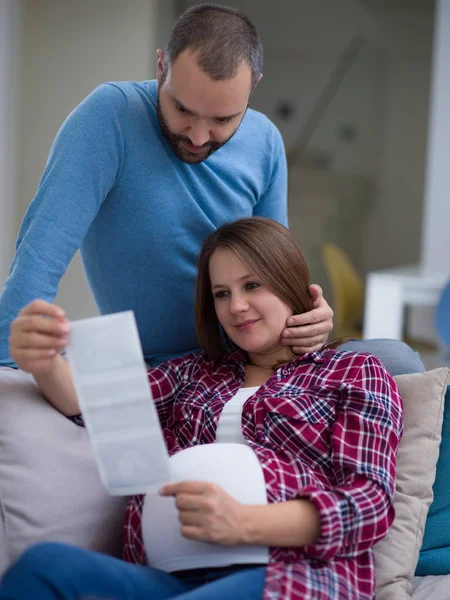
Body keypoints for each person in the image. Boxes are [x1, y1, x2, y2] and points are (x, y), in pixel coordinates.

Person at [2, 217, 403, 600]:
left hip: (287, 575)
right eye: (222, 294)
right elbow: (92, 403)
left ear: (289, 281)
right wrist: (43, 361)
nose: (237, 307)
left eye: (252, 285)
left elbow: (369, 503)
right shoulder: (195, 372)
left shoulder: (353, 372)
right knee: (45, 566)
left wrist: (243, 522)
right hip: (167, 577)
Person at [0, 3, 335, 370]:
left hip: (250, 360)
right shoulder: (110, 117)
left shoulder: (265, 141)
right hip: (153, 368)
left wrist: (311, 319)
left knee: (391, 356)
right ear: (161, 67)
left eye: (222, 119)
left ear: (254, 84)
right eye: (183, 109)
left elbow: (277, 270)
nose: (198, 135)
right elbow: (39, 258)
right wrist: (6, 368)